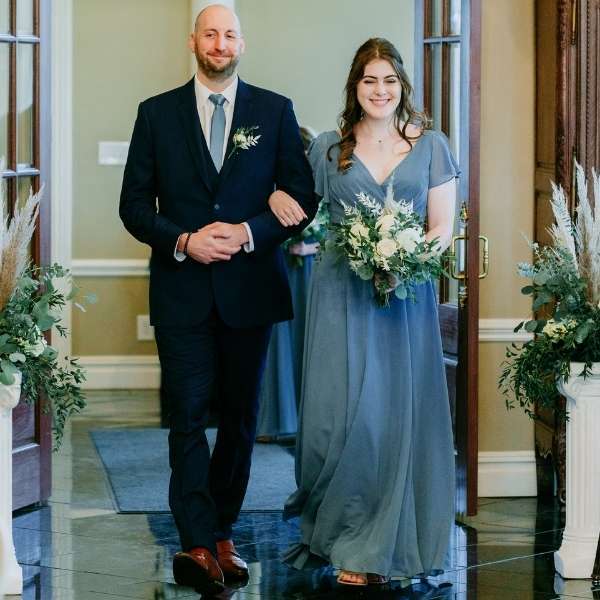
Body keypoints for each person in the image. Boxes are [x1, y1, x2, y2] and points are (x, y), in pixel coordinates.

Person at [119, 4, 317, 595]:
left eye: (230, 34)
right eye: (211, 33)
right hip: (182, 292)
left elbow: (301, 194)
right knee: (186, 416)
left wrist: (252, 230)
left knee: (239, 420)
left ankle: (224, 532)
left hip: (249, 292)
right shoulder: (155, 114)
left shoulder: (274, 111)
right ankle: (196, 541)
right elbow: (132, 207)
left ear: (242, 44)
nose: (221, 42)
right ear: (193, 42)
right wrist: (183, 240)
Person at [270, 38, 458, 586]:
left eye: (390, 81)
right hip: (340, 296)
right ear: (355, 88)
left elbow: (442, 227)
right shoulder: (330, 149)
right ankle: (340, 532)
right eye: (369, 81)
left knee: (391, 418)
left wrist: (410, 257)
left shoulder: (432, 147)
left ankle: (376, 547)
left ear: (403, 86)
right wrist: (274, 203)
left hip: (404, 301)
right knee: (340, 419)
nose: (380, 91)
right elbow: (302, 211)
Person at [256, 127, 320, 442]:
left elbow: (332, 227)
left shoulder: (319, 184)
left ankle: (307, 420)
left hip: (311, 273)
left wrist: (311, 246)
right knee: (277, 343)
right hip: (281, 267)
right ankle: (274, 418)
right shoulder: (271, 185)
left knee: (307, 341)